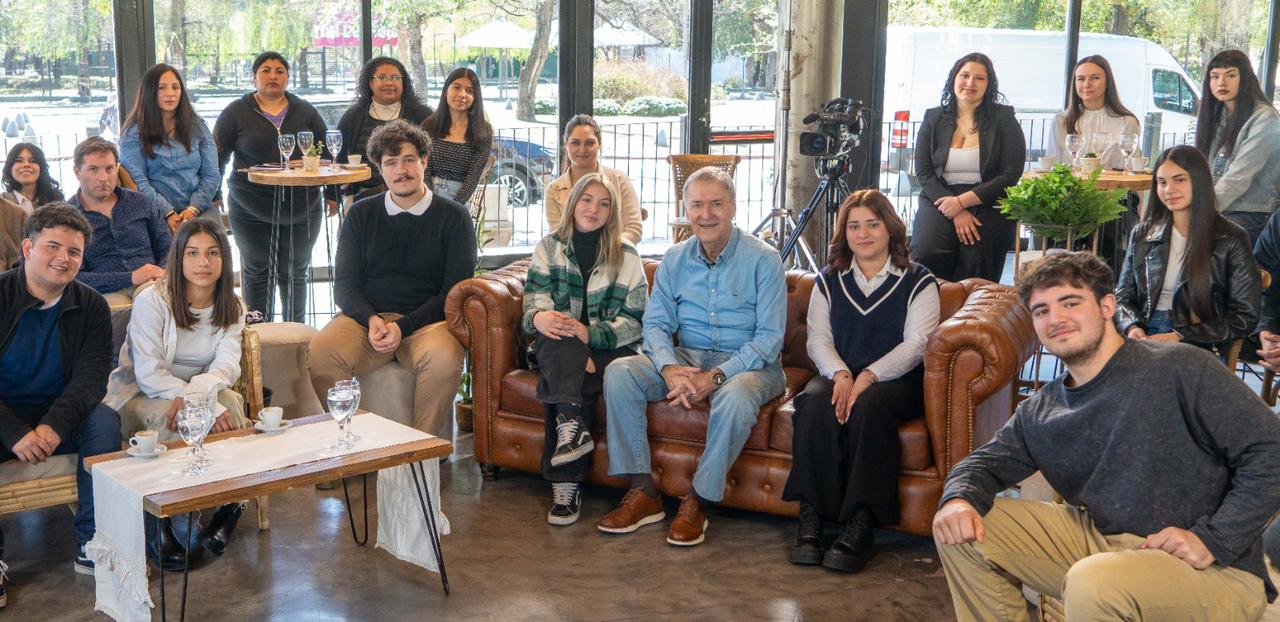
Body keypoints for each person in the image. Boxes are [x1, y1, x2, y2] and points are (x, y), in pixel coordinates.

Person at [934, 252, 1280, 621]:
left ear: (1107, 306)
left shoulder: (1179, 367)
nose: (1056, 319)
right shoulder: (1043, 409)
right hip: (1103, 546)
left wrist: (1213, 538)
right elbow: (983, 464)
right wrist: (958, 499)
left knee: (1094, 582)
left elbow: (1270, 449)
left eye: (1070, 303)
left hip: (1212, 568)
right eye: (1042, 310)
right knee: (959, 529)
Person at [599, 167, 786, 547]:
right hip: (687, 358)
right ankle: (644, 491)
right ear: (686, 210)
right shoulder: (674, 259)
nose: (706, 214)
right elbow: (655, 324)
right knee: (621, 372)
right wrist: (669, 368)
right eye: (697, 205)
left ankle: (698, 500)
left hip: (750, 366)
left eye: (716, 204)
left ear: (732, 207)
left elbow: (769, 339)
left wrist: (715, 377)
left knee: (735, 395)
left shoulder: (764, 259)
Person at [782, 189, 939, 573]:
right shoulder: (828, 280)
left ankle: (861, 523)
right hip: (839, 372)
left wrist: (869, 376)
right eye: (854, 226)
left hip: (897, 381)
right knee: (813, 403)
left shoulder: (919, 281)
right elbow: (818, 340)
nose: (863, 234)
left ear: (890, 228)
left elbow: (917, 345)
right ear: (844, 232)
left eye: (872, 224)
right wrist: (841, 374)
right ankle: (812, 517)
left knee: (869, 407)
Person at [307, 120, 475, 437]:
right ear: (380, 169)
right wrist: (371, 319)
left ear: (425, 162)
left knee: (444, 359)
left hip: (427, 324)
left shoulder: (454, 217)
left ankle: (420, 451)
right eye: (391, 163)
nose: (401, 170)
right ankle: (352, 441)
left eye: (409, 160)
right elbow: (345, 287)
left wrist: (403, 327)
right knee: (322, 352)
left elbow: (452, 294)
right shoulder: (360, 214)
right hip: (366, 322)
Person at [104, 218, 249, 569]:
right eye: (193, 253)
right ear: (178, 258)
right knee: (176, 413)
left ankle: (232, 503)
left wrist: (199, 398)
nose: (203, 263)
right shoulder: (153, 301)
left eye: (213, 253)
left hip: (199, 391)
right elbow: (149, 374)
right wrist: (200, 404)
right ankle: (162, 518)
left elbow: (226, 367)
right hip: (140, 394)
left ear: (224, 258)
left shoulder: (233, 306)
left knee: (231, 401)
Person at [0, 204, 120, 591]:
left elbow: (91, 380)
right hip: (5, 417)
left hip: (59, 415)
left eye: (74, 252)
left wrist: (53, 426)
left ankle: (93, 541)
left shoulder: (92, 305)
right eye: (53, 247)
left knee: (105, 421)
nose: (62, 259)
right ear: (27, 248)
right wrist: (15, 432)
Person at [522, 172, 649, 526]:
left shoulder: (627, 255)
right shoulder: (548, 247)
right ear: (573, 202)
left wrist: (591, 334)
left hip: (611, 347)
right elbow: (534, 302)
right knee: (559, 346)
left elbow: (636, 321)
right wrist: (539, 318)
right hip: (559, 343)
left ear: (612, 212)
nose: (593, 209)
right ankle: (571, 431)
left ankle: (564, 480)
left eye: (604, 204)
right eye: (587, 200)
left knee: (565, 368)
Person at [213, 51, 334, 323]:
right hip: (250, 206)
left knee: (295, 272)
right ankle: (260, 335)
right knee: (258, 271)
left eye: (280, 71)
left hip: (302, 206)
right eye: (266, 70)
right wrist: (214, 192)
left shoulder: (305, 111)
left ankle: (296, 334)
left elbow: (327, 153)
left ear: (288, 77)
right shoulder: (236, 112)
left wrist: (332, 194)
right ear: (254, 77)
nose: (273, 76)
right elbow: (217, 155)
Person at [1115, 145, 1259, 358]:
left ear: (1199, 181)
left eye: (1179, 180)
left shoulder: (1231, 238)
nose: (1168, 189)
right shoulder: (1144, 233)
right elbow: (1122, 297)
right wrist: (1132, 326)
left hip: (1198, 341)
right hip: (1144, 331)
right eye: (1162, 182)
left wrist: (1180, 336)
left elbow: (1244, 317)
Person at [910, 52, 1026, 283]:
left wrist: (962, 202)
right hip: (940, 197)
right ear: (954, 78)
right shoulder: (933, 118)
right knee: (927, 251)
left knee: (976, 255)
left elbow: (1010, 173)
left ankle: (974, 307)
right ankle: (928, 302)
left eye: (979, 78)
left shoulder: (1004, 119)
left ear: (989, 84)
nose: (970, 83)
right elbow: (923, 171)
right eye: (964, 75)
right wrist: (955, 209)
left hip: (987, 199)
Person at [67, 136, 171, 307]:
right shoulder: (68, 217)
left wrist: (164, 272)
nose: (103, 178)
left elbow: (166, 245)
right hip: (106, 290)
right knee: (116, 313)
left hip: (152, 281)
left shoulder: (140, 202)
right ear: (77, 172)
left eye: (109, 169)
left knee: (158, 302)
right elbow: (73, 275)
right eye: (93, 169)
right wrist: (130, 277)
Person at [119, 63, 222, 233]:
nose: (170, 94)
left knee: (212, 238)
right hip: (154, 211)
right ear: (150, 92)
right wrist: (168, 213)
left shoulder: (198, 127)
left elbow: (211, 175)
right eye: (162, 88)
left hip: (199, 208)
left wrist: (193, 209)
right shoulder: (133, 134)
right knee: (172, 242)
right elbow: (138, 182)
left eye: (175, 87)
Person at [1195, 49, 1280, 245]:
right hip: (1221, 208)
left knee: (1198, 238)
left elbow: (1239, 177)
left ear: (1246, 78)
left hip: (1253, 212)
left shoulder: (1266, 118)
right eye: (1215, 76)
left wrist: (1200, 211)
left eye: (1231, 75)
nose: (1221, 82)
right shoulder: (1218, 116)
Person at [331, 57, 433, 205]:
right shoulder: (354, 115)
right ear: (370, 83)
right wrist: (332, 195)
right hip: (363, 197)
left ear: (403, 83)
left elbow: (432, 157)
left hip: (412, 195)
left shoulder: (421, 115)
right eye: (382, 77)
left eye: (395, 78)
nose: (389, 83)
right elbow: (337, 156)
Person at [543, 114, 644, 245]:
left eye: (590, 143)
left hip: (617, 255)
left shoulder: (619, 180)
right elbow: (559, 238)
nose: (582, 149)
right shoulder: (553, 190)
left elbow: (634, 229)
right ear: (566, 143)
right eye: (575, 143)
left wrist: (607, 252)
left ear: (599, 144)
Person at [1049, 55, 1141, 171]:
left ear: (1107, 82)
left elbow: (1133, 168)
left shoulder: (1127, 122)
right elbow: (1051, 167)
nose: (1087, 84)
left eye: (1095, 78)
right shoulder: (1061, 120)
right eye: (1081, 79)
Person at [422, 67, 493, 206]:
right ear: (445, 92)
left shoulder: (483, 131)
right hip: (426, 197)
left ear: (476, 98)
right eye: (457, 87)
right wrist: (430, 203)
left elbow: (473, 176)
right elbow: (424, 168)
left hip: (461, 202)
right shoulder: (428, 126)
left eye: (470, 91)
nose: (462, 94)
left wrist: (455, 207)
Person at [2, 142, 63, 213]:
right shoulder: (2, 203)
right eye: (19, 160)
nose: (26, 164)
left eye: (33, 161)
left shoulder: (56, 201)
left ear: (41, 167)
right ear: (10, 168)